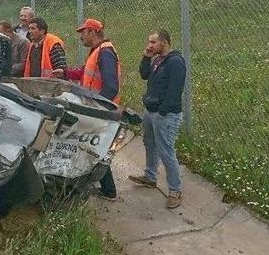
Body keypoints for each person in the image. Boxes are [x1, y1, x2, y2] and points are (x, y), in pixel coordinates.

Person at [56, 18, 122, 201]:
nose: (80, 37)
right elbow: (86, 72)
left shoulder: (105, 52)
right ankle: (107, 189)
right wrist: (66, 73)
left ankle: (105, 189)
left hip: (100, 110)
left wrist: (98, 107)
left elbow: (111, 87)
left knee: (92, 147)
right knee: (92, 147)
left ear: (92, 32)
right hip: (96, 109)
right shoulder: (98, 51)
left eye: (83, 33)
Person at [127, 29, 187, 209]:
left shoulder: (175, 62)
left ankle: (175, 191)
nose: (149, 45)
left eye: (153, 42)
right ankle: (150, 176)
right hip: (150, 111)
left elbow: (175, 91)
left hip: (165, 115)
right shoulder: (157, 60)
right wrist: (146, 57)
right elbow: (144, 75)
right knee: (149, 143)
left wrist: (162, 112)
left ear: (164, 42)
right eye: (149, 42)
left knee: (166, 151)